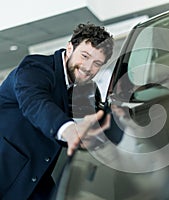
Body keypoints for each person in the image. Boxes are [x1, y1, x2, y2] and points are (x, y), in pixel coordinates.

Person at [0, 23, 114, 200]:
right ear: (70, 48)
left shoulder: (80, 89)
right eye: (84, 56)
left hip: (37, 181)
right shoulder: (35, 68)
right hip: (6, 174)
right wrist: (68, 130)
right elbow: (35, 103)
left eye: (97, 63)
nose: (87, 67)